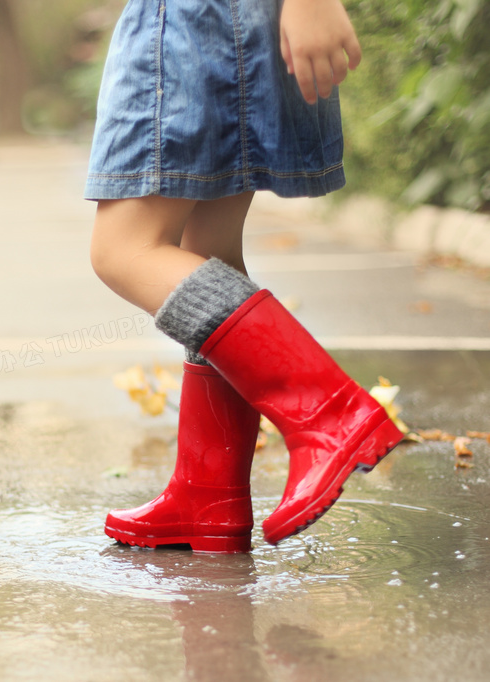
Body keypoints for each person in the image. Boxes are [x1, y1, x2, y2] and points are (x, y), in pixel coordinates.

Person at [85, 0, 404, 551]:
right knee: (208, 252)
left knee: (124, 251)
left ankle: (330, 415)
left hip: (193, 21)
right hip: (221, 22)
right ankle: (207, 493)